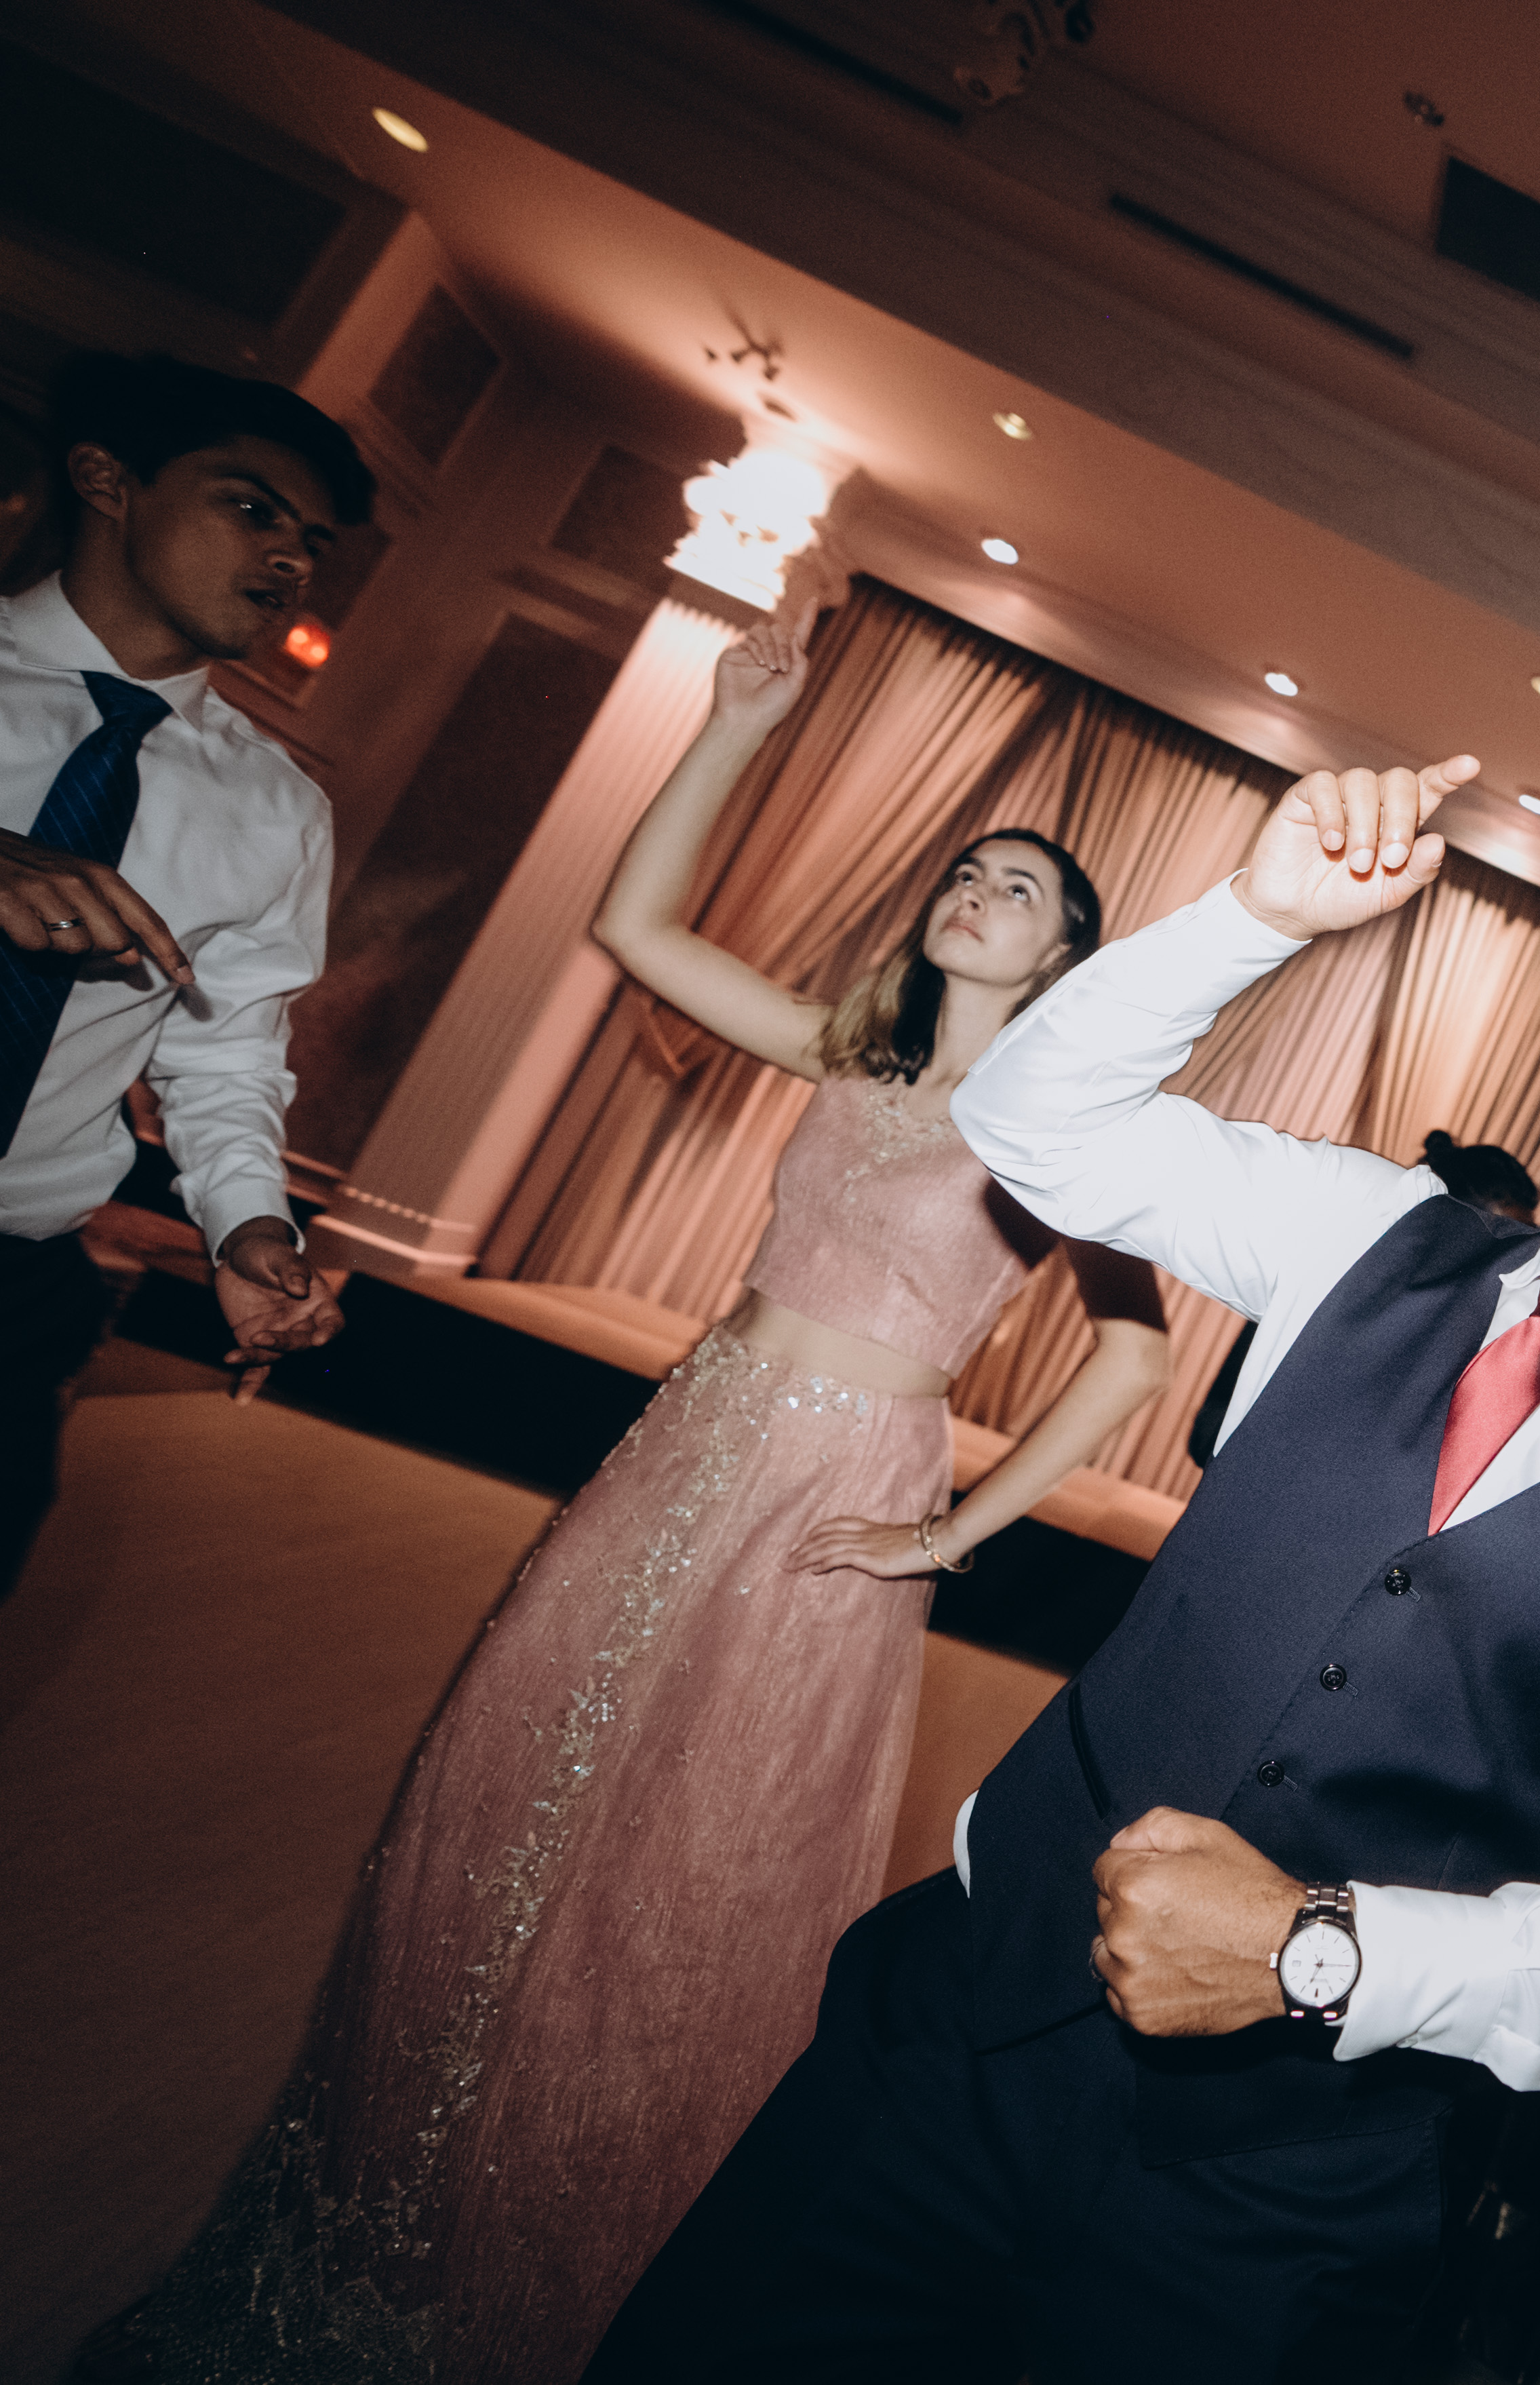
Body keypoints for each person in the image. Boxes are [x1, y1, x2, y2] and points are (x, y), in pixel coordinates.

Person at [589, 763, 1540, 2380]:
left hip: (1270, 2216)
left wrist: (1320, 1952)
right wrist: (1254, 914)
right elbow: (1025, 1124)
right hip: (953, 2039)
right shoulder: (1368, 1228)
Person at [85, 619, 1173, 2383]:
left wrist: (955, 1530)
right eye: (966, 868)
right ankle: (376, 2224)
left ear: (1062, 957)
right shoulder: (850, 1054)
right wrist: (729, 725)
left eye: (1022, 888)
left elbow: (1132, 1358)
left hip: (845, 1488)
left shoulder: (1059, 1130)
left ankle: (564, 2284)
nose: (979, 891)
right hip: (694, 1430)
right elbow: (635, 927)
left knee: (698, 1866)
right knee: (504, 1778)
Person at [3, 355, 366, 1596]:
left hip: (17, 1285)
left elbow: (223, 1056)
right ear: (108, 479)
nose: (292, 558)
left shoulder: (279, 809)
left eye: (312, 540)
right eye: (252, 507)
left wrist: (249, 1224)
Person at [1182, 1129, 1537, 1467]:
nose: (1506, 1267)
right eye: (1493, 1246)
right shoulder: (1338, 1278)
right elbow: (1212, 1430)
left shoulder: (1471, 1338)